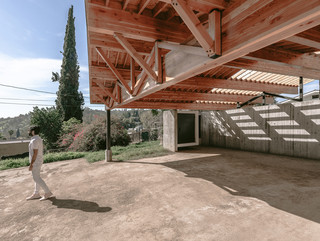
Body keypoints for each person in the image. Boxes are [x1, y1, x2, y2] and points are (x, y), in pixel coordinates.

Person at [26, 125, 53, 201]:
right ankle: (36, 193)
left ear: (33, 131)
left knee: (36, 178)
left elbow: (35, 153)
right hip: (38, 161)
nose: (29, 132)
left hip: (36, 162)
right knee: (37, 177)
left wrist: (31, 164)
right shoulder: (38, 139)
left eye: (30, 131)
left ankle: (47, 192)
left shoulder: (34, 140)